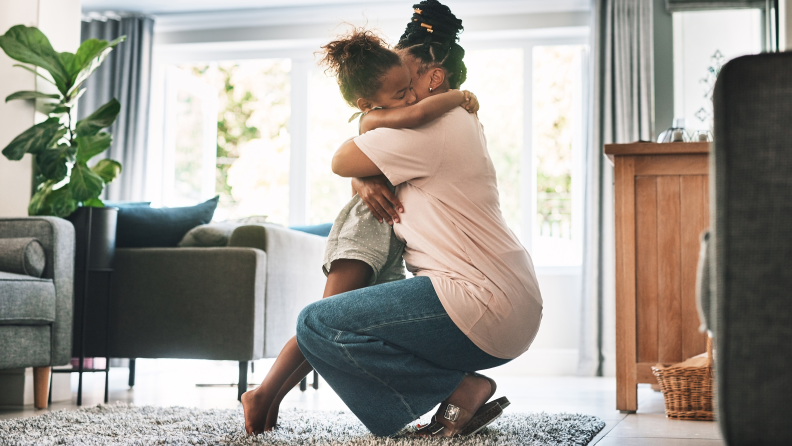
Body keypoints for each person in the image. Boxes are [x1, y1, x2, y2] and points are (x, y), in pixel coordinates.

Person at [296, 0, 543, 438]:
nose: (402, 93)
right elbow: (361, 167)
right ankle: (454, 393)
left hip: (479, 299)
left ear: (434, 77)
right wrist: (365, 182)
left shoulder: (437, 123)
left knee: (318, 321)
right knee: (349, 318)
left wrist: (361, 172)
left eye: (406, 80)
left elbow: (341, 158)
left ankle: (462, 387)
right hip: (505, 299)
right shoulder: (453, 122)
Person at [241, 27, 480, 435]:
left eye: (409, 88)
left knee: (338, 323)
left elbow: (374, 168)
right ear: (367, 103)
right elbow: (416, 116)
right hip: (366, 227)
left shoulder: (386, 113)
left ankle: (267, 395)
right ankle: (263, 393)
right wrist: (459, 98)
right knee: (324, 317)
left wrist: (364, 180)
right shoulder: (378, 117)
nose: (409, 97)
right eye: (400, 93)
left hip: (386, 231)